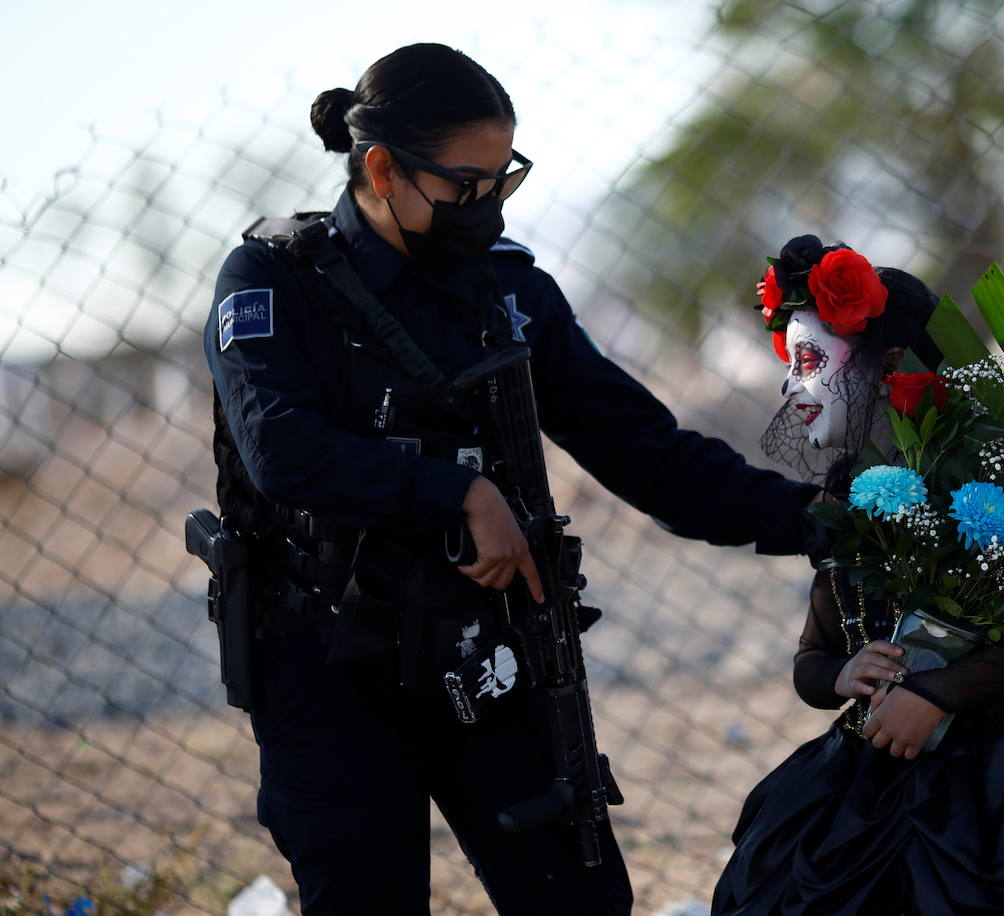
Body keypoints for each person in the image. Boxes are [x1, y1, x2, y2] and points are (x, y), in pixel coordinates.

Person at [204, 44, 822, 915]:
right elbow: (284, 451)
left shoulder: (508, 290)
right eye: (466, 185)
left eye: (503, 181)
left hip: (489, 657)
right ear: (381, 170)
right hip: (330, 665)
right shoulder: (275, 281)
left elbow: (642, 447)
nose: (486, 206)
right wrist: (457, 493)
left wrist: (813, 519)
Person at [711, 236, 1004, 915]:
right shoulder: (842, 502)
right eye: (790, 363)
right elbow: (812, 657)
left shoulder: (984, 488)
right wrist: (842, 675)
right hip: (871, 762)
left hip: (1003, 778)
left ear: (891, 364)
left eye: (811, 361)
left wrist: (934, 696)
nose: (793, 384)